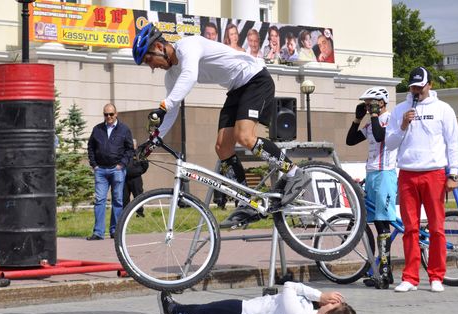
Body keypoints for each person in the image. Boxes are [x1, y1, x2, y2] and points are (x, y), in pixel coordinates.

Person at [131, 23, 311, 229]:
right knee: (222, 147)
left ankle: (295, 173)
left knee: (245, 136)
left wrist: (163, 106)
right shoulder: (171, 76)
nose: (152, 67)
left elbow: (188, 77)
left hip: (255, 79)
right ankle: (247, 203)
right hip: (236, 89)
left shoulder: (187, 46)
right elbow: (171, 110)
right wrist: (152, 142)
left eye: (148, 60)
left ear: (160, 47)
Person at [386, 67, 458, 293]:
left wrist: (453, 173)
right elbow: (389, 144)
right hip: (408, 173)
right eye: (413, 87)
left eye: (420, 86)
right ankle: (410, 277)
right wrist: (403, 125)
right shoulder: (400, 110)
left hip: (434, 173)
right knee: (410, 228)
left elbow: (454, 142)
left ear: (430, 85)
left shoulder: (443, 109)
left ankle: (436, 276)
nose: (417, 90)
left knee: (437, 228)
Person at [157, 282, 357, 314]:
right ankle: (175, 309)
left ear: (328, 313)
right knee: (206, 311)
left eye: (332, 304)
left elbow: (289, 286)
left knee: (203, 311)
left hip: (242, 312)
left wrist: (320, 295)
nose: (330, 301)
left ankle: (173, 309)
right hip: (248, 311)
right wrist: (320, 301)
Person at [346, 87, 397, 289]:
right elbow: (350, 141)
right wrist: (357, 120)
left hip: (385, 173)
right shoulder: (372, 121)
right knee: (377, 223)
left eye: (370, 104)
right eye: (366, 104)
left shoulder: (390, 119)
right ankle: (386, 271)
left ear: (381, 103)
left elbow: (378, 136)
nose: (367, 107)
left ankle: (384, 274)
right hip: (372, 173)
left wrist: (375, 114)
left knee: (384, 225)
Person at [87, 103, 134, 240]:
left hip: (117, 170)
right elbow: (90, 147)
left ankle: (115, 230)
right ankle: (98, 232)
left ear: (116, 114)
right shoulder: (97, 129)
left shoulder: (124, 129)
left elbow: (130, 149)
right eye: (106, 114)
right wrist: (94, 165)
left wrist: (122, 164)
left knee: (118, 200)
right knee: (99, 200)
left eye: (111, 114)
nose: (109, 117)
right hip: (100, 170)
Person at [123, 140, 149, 217]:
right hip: (124, 179)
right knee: (124, 197)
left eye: (132, 144)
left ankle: (140, 213)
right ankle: (125, 214)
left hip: (136, 179)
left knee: (138, 196)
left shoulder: (139, 153)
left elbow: (145, 165)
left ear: (135, 145)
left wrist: (139, 172)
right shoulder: (124, 153)